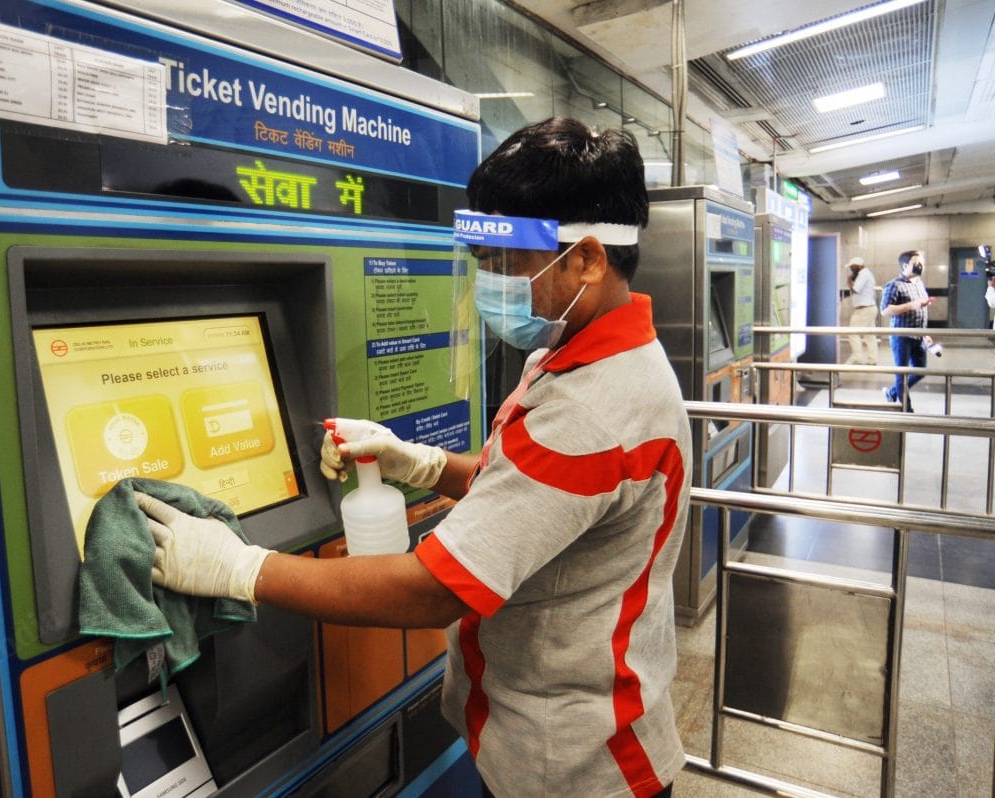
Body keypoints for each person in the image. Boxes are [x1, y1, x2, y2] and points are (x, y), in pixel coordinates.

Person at [135, 118, 692, 798]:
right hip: (558, 736)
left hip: (575, 769)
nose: (491, 281)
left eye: (507, 261)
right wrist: (419, 463)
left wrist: (242, 566)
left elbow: (435, 591)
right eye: (483, 260)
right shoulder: (583, 355)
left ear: (588, 260)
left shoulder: (591, 411)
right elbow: (530, 493)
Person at [880, 250, 933, 410]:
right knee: (902, 373)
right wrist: (911, 305)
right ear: (904, 266)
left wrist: (925, 333)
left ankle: (892, 393)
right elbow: (885, 310)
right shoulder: (894, 285)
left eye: (922, 263)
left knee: (920, 371)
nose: (920, 266)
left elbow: (921, 309)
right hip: (901, 337)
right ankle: (907, 410)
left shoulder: (919, 283)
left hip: (918, 336)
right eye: (916, 263)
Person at [845, 256, 879, 365]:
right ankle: (872, 359)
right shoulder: (866, 273)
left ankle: (857, 357)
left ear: (858, 266)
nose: (851, 269)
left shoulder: (863, 274)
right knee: (869, 336)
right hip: (870, 308)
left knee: (852, 332)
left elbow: (856, 289)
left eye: (852, 267)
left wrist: (849, 281)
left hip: (864, 309)